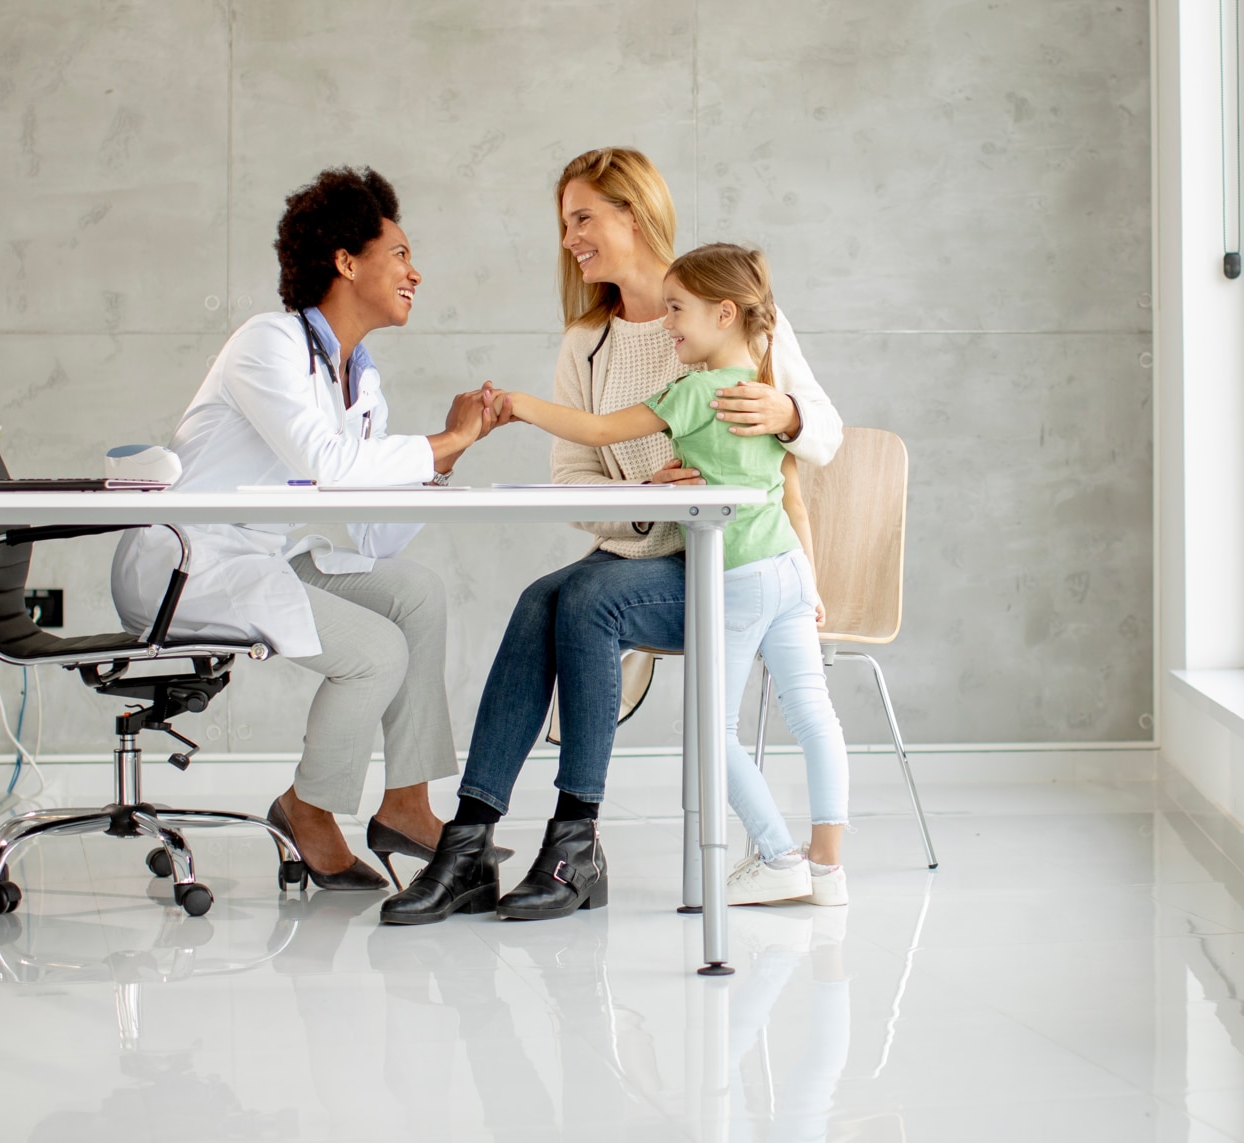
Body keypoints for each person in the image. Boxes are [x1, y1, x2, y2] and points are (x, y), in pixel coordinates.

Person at [380, 148, 842, 926]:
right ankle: (467, 844)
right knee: (540, 599)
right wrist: (642, 498)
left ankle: (574, 844)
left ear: (633, 213)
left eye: (583, 218)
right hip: (648, 554)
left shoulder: (722, 309)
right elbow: (573, 480)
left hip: (727, 566)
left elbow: (823, 432)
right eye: (565, 224)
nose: (570, 239)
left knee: (588, 598)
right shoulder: (585, 344)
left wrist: (787, 415)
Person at [111, 167, 508, 889]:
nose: (416, 272)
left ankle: (407, 804)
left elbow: (370, 529)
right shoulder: (268, 343)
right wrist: (442, 442)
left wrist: (446, 460)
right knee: (374, 652)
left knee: (415, 594)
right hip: (188, 563)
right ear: (346, 261)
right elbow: (327, 463)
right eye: (400, 253)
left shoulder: (361, 378)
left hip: (261, 554)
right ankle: (307, 807)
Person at [493, 243, 850, 908]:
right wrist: (813, 580)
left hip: (738, 579)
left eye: (678, 310)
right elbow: (792, 493)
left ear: (724, 313)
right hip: (791, 571)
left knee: (714, 733)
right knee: (813, 716)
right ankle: (828, 866)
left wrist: (519, 404)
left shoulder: (693, 393)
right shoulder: (769, 394)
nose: (667, 323)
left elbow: (597, 430)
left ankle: (777, 854)